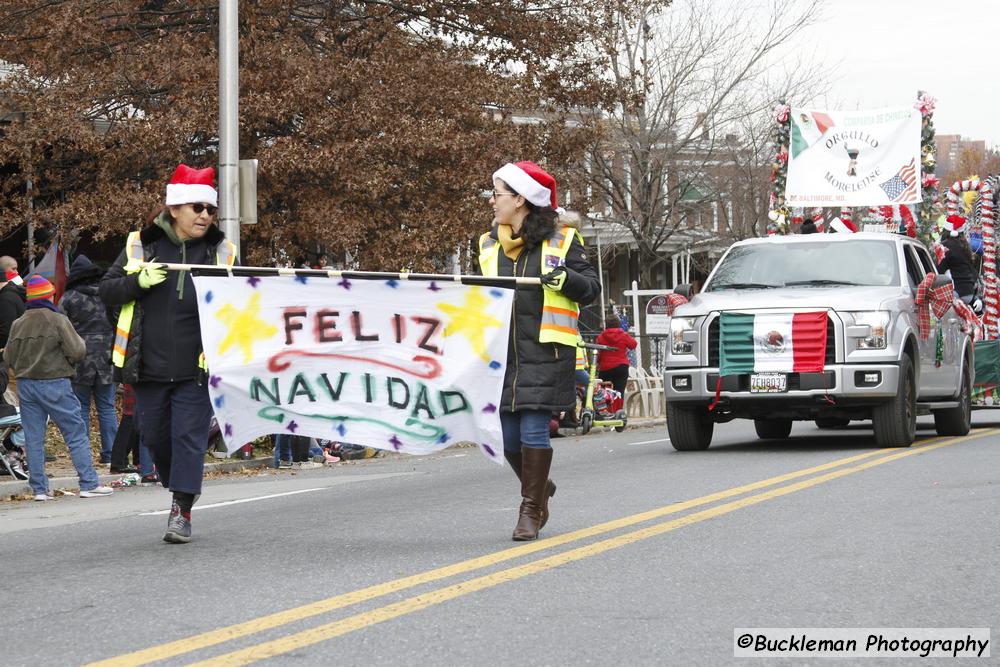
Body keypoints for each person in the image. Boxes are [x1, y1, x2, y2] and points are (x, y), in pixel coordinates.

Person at [99, 164, 236, 543]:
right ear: (174, 209)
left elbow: (239, 309)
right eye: (197, 208)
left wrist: (221, 351)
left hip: (197, 369)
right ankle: (179, 482)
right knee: (155, 437)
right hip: (147, 367)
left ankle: (182, 510)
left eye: (210, 210)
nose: (205, 216)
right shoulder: (140, 246)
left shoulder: (220, 253)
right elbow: (106, 292)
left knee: (187, 438)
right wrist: (136, 282)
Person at [478, 161, 600, 541]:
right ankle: (540, 486)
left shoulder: (562, 240)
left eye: (498, 194)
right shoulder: (486, 244)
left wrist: (568, 280)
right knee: (509, 439)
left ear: (520, 199)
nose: (493, 202)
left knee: (534, 429)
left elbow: (591, 286)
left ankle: (530, 509)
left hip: (546, 349)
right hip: (503, 354)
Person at [4, 275, 113, 500]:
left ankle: (40, 490)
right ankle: (88, 483)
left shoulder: (18, 323)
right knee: (75, 433)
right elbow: (78, 350)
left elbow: (8, 357)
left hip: (26, 385)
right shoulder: (57, 319)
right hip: (55, 382)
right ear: (49, 295)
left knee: (33, 439)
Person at [60, 255, 119, 465]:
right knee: (107, 407)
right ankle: (111, 453)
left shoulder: (69, 298)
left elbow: (62, 330)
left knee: (81, 407)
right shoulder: (108, 295)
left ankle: (82, 454)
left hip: (79, 360)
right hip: (108, 359)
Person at [938, 215, 978, 303]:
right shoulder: (965, 245)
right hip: (969, 292)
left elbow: (939, 270)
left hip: (955, 292)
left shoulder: (945, 246)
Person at [595, 315, 637, 398]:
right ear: (618, 324)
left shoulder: (600, 337)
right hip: (621, 366)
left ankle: (606, 409)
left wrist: (599, 363)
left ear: (606, 324)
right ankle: (618, 409)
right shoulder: (623, 335)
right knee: (619, 392)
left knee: (604, 392)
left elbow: (599, 353)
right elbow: (633, 345)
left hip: (605, 367)